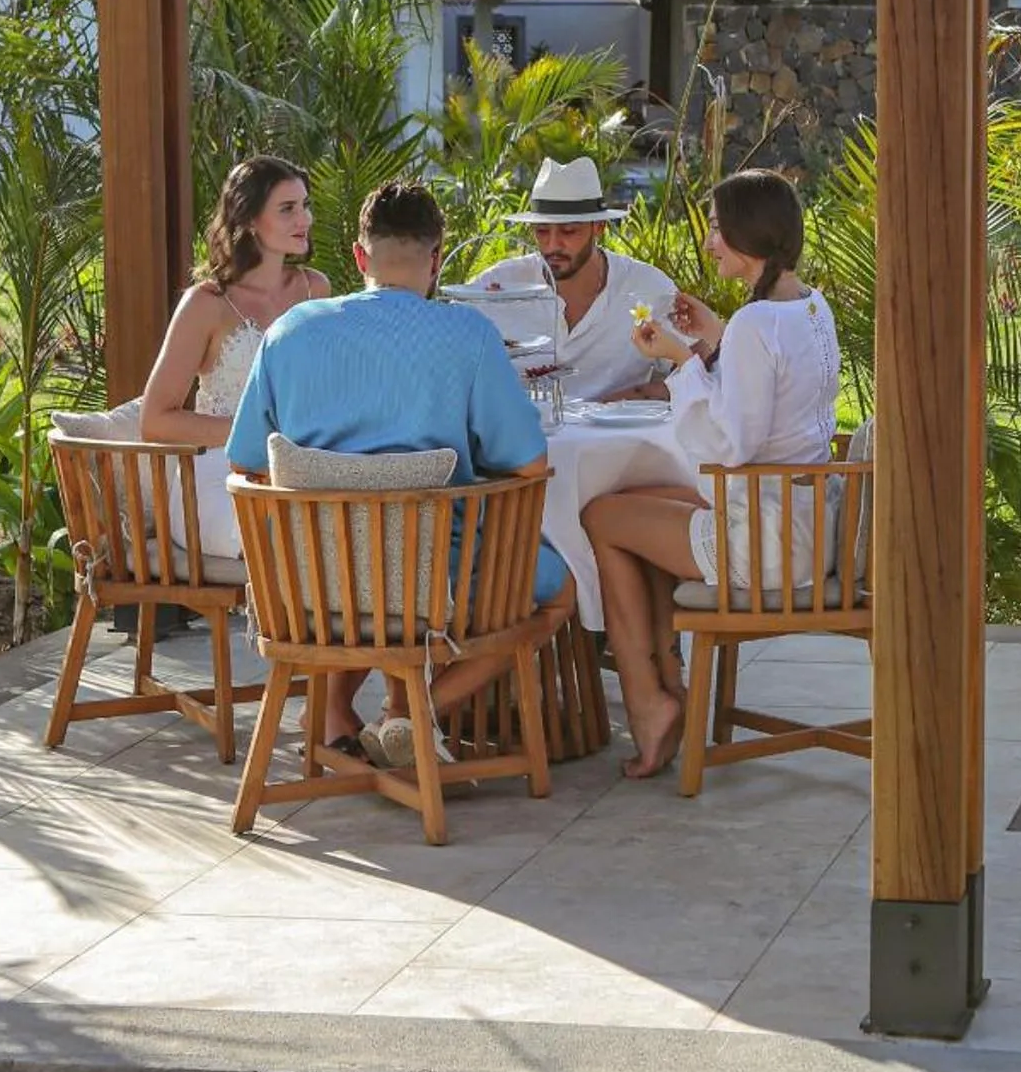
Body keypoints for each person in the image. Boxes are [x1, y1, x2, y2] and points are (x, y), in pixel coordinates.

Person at [227, 180, 574, 762]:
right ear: (436, 260)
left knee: (364, 570)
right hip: (433, 585)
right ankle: (411, 712)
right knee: (560, 592)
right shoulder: (467, 333)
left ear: (360, 257)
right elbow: (529, 463)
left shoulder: (289, 331)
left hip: (310, 585)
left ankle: (341, 711)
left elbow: (244, 462)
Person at [582, 170, 841, 779]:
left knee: (601, 515)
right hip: (808, 522)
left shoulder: (757, 324)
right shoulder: (810, 306)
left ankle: (650, 703)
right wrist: (712, 341)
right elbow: (772, 389)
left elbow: (728, 445)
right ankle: (670, 684)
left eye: (719, 229)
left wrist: (678, 361)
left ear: (749, 234)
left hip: (770, 540)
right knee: (637, 496)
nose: (709, 243)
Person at [139, 156, 331, 561]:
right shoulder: (206, 304)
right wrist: (253, 436)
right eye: (287, 208)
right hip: (218, 478)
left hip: (297, 473)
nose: (305, 219)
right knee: (283, 538)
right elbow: (155, 420)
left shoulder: (316, 290)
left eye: (305, 205)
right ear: (249, 219)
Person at [470, 154, 678, 404]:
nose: (552, 245)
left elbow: (700, 368)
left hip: (619, 429)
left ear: (598, 228)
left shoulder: (646, 286)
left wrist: (637, 396)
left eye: (568, 231)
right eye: (542, 232)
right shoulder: (497, 286)